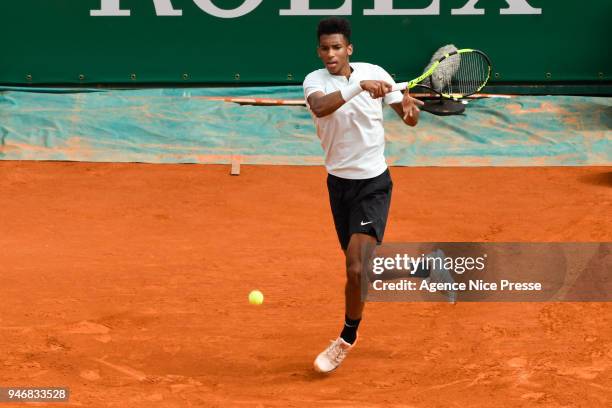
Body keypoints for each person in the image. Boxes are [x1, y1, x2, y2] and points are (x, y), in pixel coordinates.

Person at [303, 17, 425, 373]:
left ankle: (346, 338)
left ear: (349, 48)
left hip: (373, 183)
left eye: (337, 47)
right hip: (339, 185)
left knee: (355, 268)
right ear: (319, 50)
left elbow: (408, 117)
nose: (331, 54)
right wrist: (358, 88)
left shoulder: (375, 71)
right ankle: (420, 269)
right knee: (360, 270)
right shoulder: (315, 82)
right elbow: (321, 107)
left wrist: (409, 108)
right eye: (325, 48)